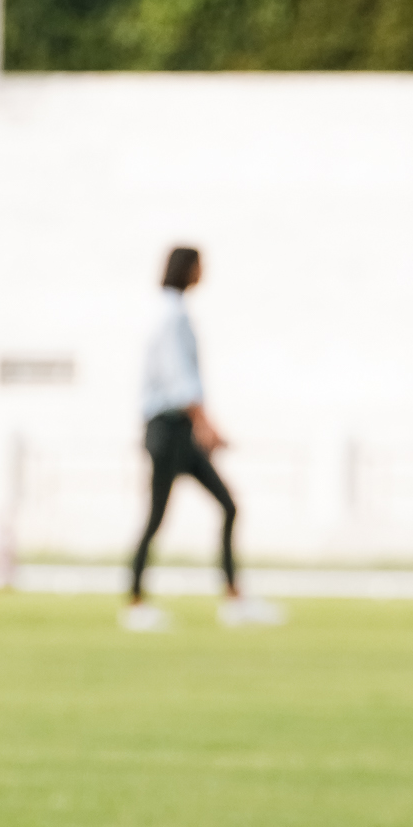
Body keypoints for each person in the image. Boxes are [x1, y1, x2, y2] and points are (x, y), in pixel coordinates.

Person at [122, 247, 282, 632]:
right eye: (200, 265)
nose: (203, 271)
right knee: (157, 517)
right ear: (187, 268)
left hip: (179, 429)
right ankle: (136, 604)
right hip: (169, 429)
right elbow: (180, 380)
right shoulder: (171, 316)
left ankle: (234, 597)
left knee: (227, 505)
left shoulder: (170, 313)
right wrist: (206, 425)